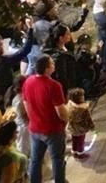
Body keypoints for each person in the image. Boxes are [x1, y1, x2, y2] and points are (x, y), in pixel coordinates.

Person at [22, 55, 67, 183]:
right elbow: (60, 110)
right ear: (47, 68)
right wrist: (66, 120)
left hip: (35, 128)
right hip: (53, 129)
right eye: (52, 63)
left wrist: (33, 118)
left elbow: (26, 104)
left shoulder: (28, 81)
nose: (54, 65)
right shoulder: (54, 85)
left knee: (36, 160)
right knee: (57, 159)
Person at [66, 87, 94, 160]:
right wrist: (92, 126)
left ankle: (74, 151)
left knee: (74, 139)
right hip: (80, 128)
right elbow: (88, 119)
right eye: (82, 96)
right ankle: (80, 153)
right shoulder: (83, 109)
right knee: (81, 141)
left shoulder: (69, 105)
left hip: (72, 127)